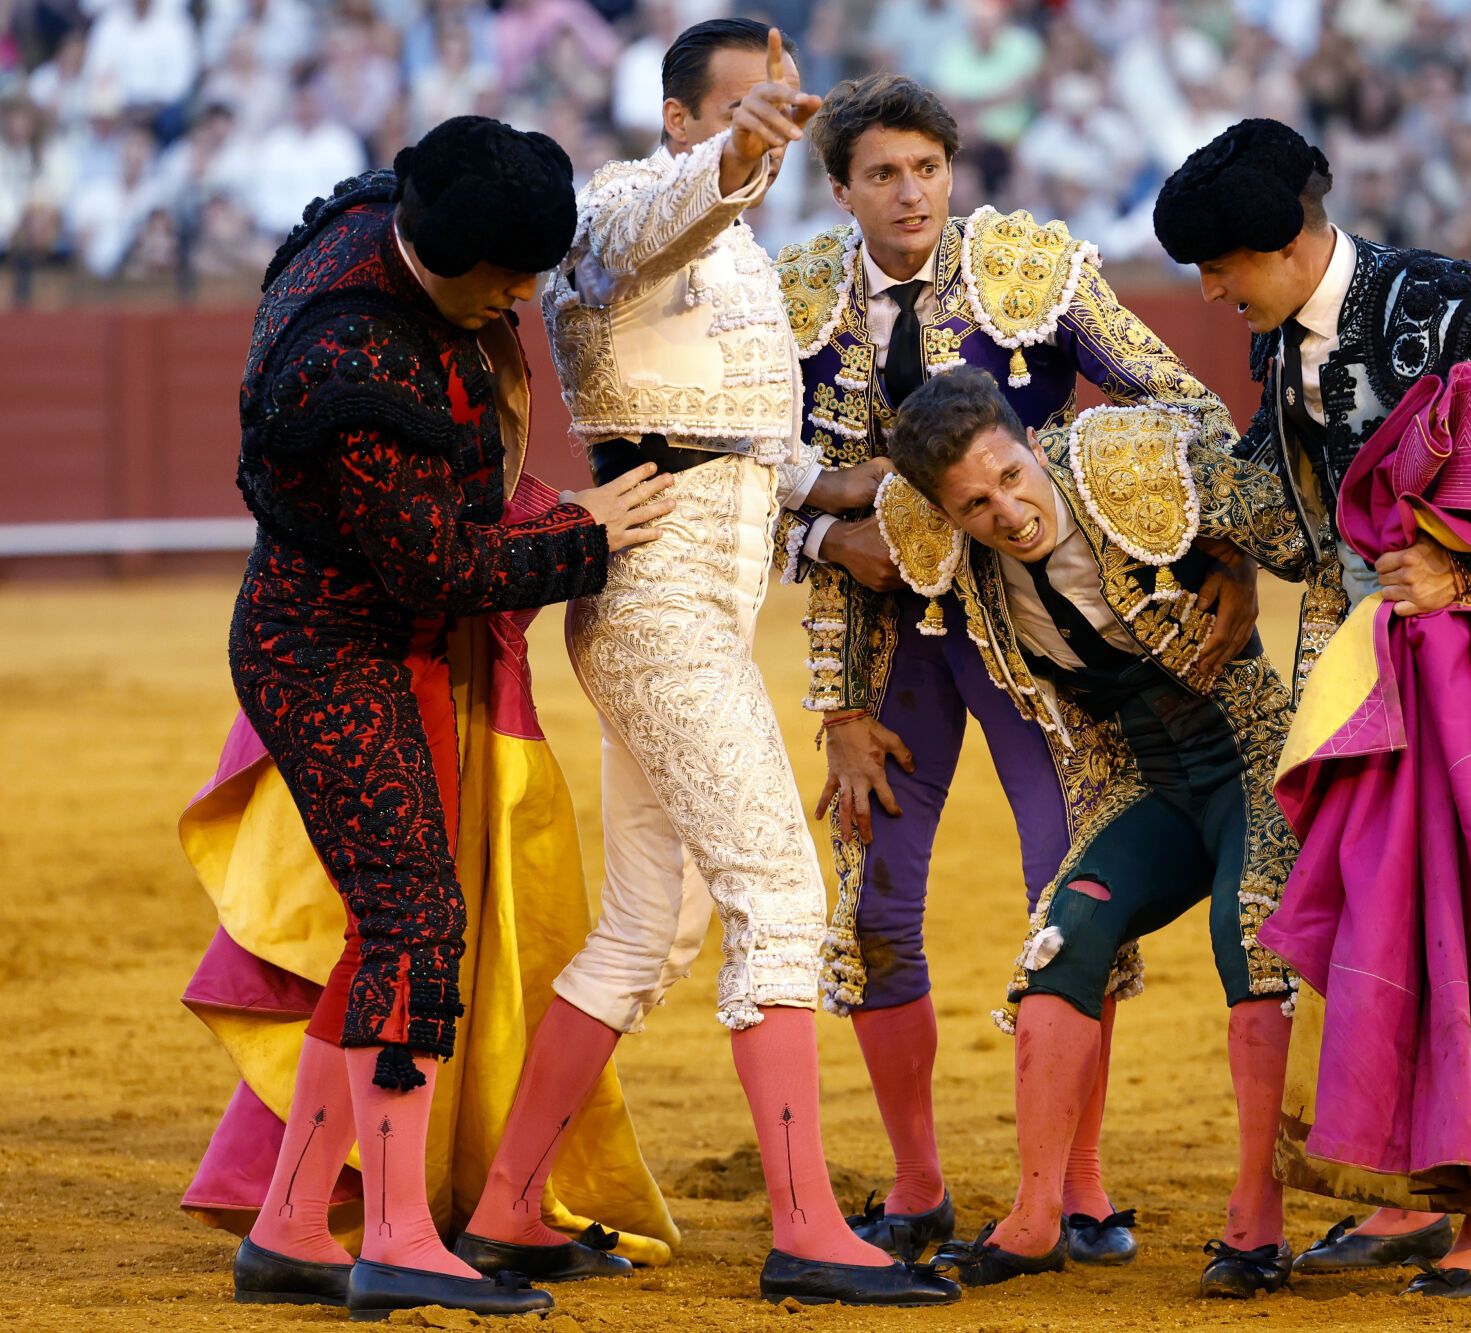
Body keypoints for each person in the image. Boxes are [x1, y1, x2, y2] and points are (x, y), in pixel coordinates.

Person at [451, 22, 958, 1307]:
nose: (771, 133)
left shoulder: (736, 260)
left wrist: (867, 478)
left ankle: (510, 1206)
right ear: (678, 117)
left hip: (693, 602)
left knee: (645, 923)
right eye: (739, 112)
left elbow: (734, 445)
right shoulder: (620, 206)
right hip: (660, 601)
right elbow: (656, 227)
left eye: (779, 111)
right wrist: (735, 153)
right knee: (777, 893)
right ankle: (803, 1227)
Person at [773, 73, 1247, 1267]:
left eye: (926, 167)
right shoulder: (789, 304)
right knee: (876, 903)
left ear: (952, 168)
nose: (909, 192)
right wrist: (831, 640)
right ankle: (917, 1183)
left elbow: (1182, 406)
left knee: (1069, 884)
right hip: (886, 651)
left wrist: (1214, 551)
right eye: (881, 173)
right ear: (840, 190)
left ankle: (1078, 1186)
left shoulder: (1034, 269)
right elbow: (745, 484)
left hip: (1029, 642)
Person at [1151, 117, 1471, 1284]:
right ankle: (1413, 1196)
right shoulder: (1286, 337)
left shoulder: (1448, 310)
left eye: (1220, 270)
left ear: (1281, 247)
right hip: (1362, 663)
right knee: (1382, 919)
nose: (1212, 293)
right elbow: (1280, 469)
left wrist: (1470, 573)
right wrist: (1213, 549)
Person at [218, 114, 675, 1319]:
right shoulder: (353, 368)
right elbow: (439, 569)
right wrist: (583, 534)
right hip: (327, 649)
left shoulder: (392, 216)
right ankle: (400, 1237)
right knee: (417, 922)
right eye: (508, 283)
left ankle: (288, 1228)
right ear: (441, 256)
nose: (521, 298)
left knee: (387, 924)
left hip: (358, 635)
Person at [874, 368, 1307, 1296]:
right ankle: (1035, 1218)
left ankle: (1257, 1223)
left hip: (1252, 761)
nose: (1008, 511)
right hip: (1138, 786)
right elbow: (847, 561)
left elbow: (1292, 510)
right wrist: (836, 715)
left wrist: (1236, 563)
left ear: (1030, 442)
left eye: (1012, 476)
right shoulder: (941, 540)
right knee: (1059, 942)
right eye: (975, 504)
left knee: (1251, 935)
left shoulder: (1124, 461)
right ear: (945, 513)